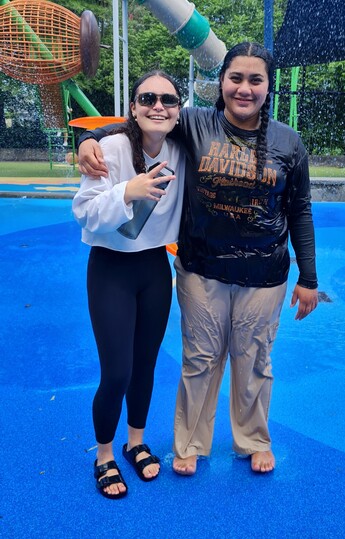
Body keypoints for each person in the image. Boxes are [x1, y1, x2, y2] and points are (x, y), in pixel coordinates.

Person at [77, 42, 318, 477]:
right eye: (236, 78)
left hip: (264, 273)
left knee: (253, 361)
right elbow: (139, 122)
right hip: (200, 268)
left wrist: (309, 277)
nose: (244, 88)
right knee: (198, 360)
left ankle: (253, 439)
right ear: (221, 83)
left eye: (256, 80)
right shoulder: (194, 123)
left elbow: (300, 209)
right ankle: (185, 443)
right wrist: (87, 139)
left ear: (268, 86)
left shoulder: (288, 141)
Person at [72, 70, 185, 498]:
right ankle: (103, 455)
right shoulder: (111, 148)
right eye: (148, 98)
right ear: (133, 109)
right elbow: (84, 211)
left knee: (145, 366)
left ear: (178, 111)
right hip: (111, 269)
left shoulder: (182, 148)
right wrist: (127, 191)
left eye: (168, 100)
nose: (158, 106)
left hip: (154, 268)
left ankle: (135, 442)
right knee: (117, 371)